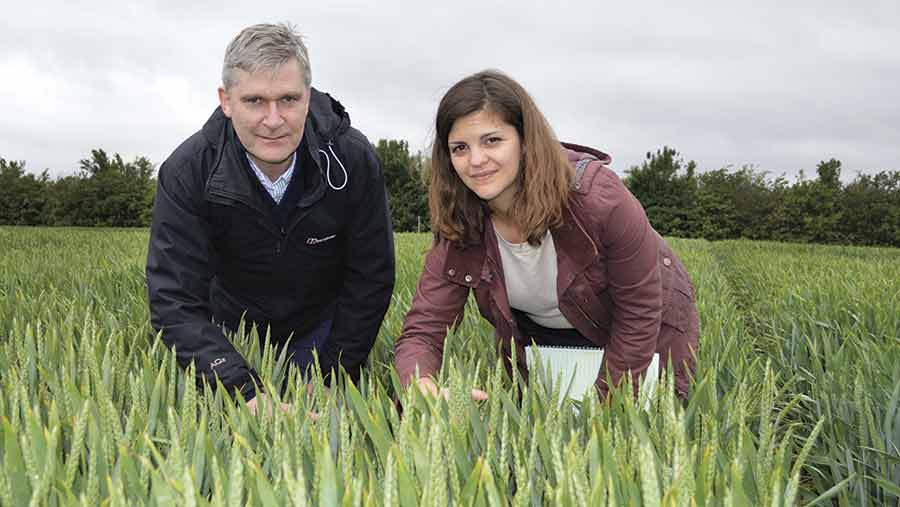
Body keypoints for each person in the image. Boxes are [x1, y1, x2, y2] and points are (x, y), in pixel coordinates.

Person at [394, 70, 699, 401]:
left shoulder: (600, 199)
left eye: (492, 140)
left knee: (627, 435)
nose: (476, 161)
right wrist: (419, 383)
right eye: (460, 148)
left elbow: (638, 313)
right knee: (536, 426)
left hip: (645, 330)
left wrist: (606, 411)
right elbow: (424, 329)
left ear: (526, 141)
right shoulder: (461, 219)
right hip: (547, 336)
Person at [146, 23, 395, 414]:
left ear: (308, 98)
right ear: (226, 101)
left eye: (289, 99)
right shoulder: (186, 171)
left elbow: (371, 275)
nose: (274, 119)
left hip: (321, 329)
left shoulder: (353, 160)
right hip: (231, 332)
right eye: (255, 101)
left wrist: (334, 371)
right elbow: (174, 297)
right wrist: (239, 388)